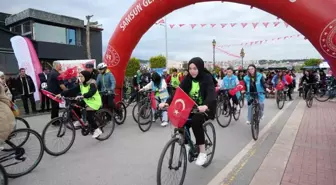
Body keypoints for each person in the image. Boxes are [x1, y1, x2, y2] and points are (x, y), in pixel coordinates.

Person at [159, 57, 216, 166]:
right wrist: (167, 103)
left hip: (205, 108)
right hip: (190, 107)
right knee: (180, 121)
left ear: (200, 68)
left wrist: (206, 105)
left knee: (195, 121)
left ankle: (203, 153)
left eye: (195, 68)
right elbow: (178, 93)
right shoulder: (187, 79)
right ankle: (190, 145)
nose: (192, 71)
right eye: (190, 68)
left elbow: (211, 93)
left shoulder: (207, 78)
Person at [56, 71, 103, 138]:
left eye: (81, 76)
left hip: (94, 102)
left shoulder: (92, 83)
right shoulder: (82, 84)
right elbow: (72, 90)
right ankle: (80, 120)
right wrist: (61, 94)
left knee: (89, 117)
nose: (80, 78)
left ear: (86, 76)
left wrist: (83, 96)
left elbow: (91, 92)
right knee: (75, 106)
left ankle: (97, 130)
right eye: (79, 76)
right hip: (86, 100)